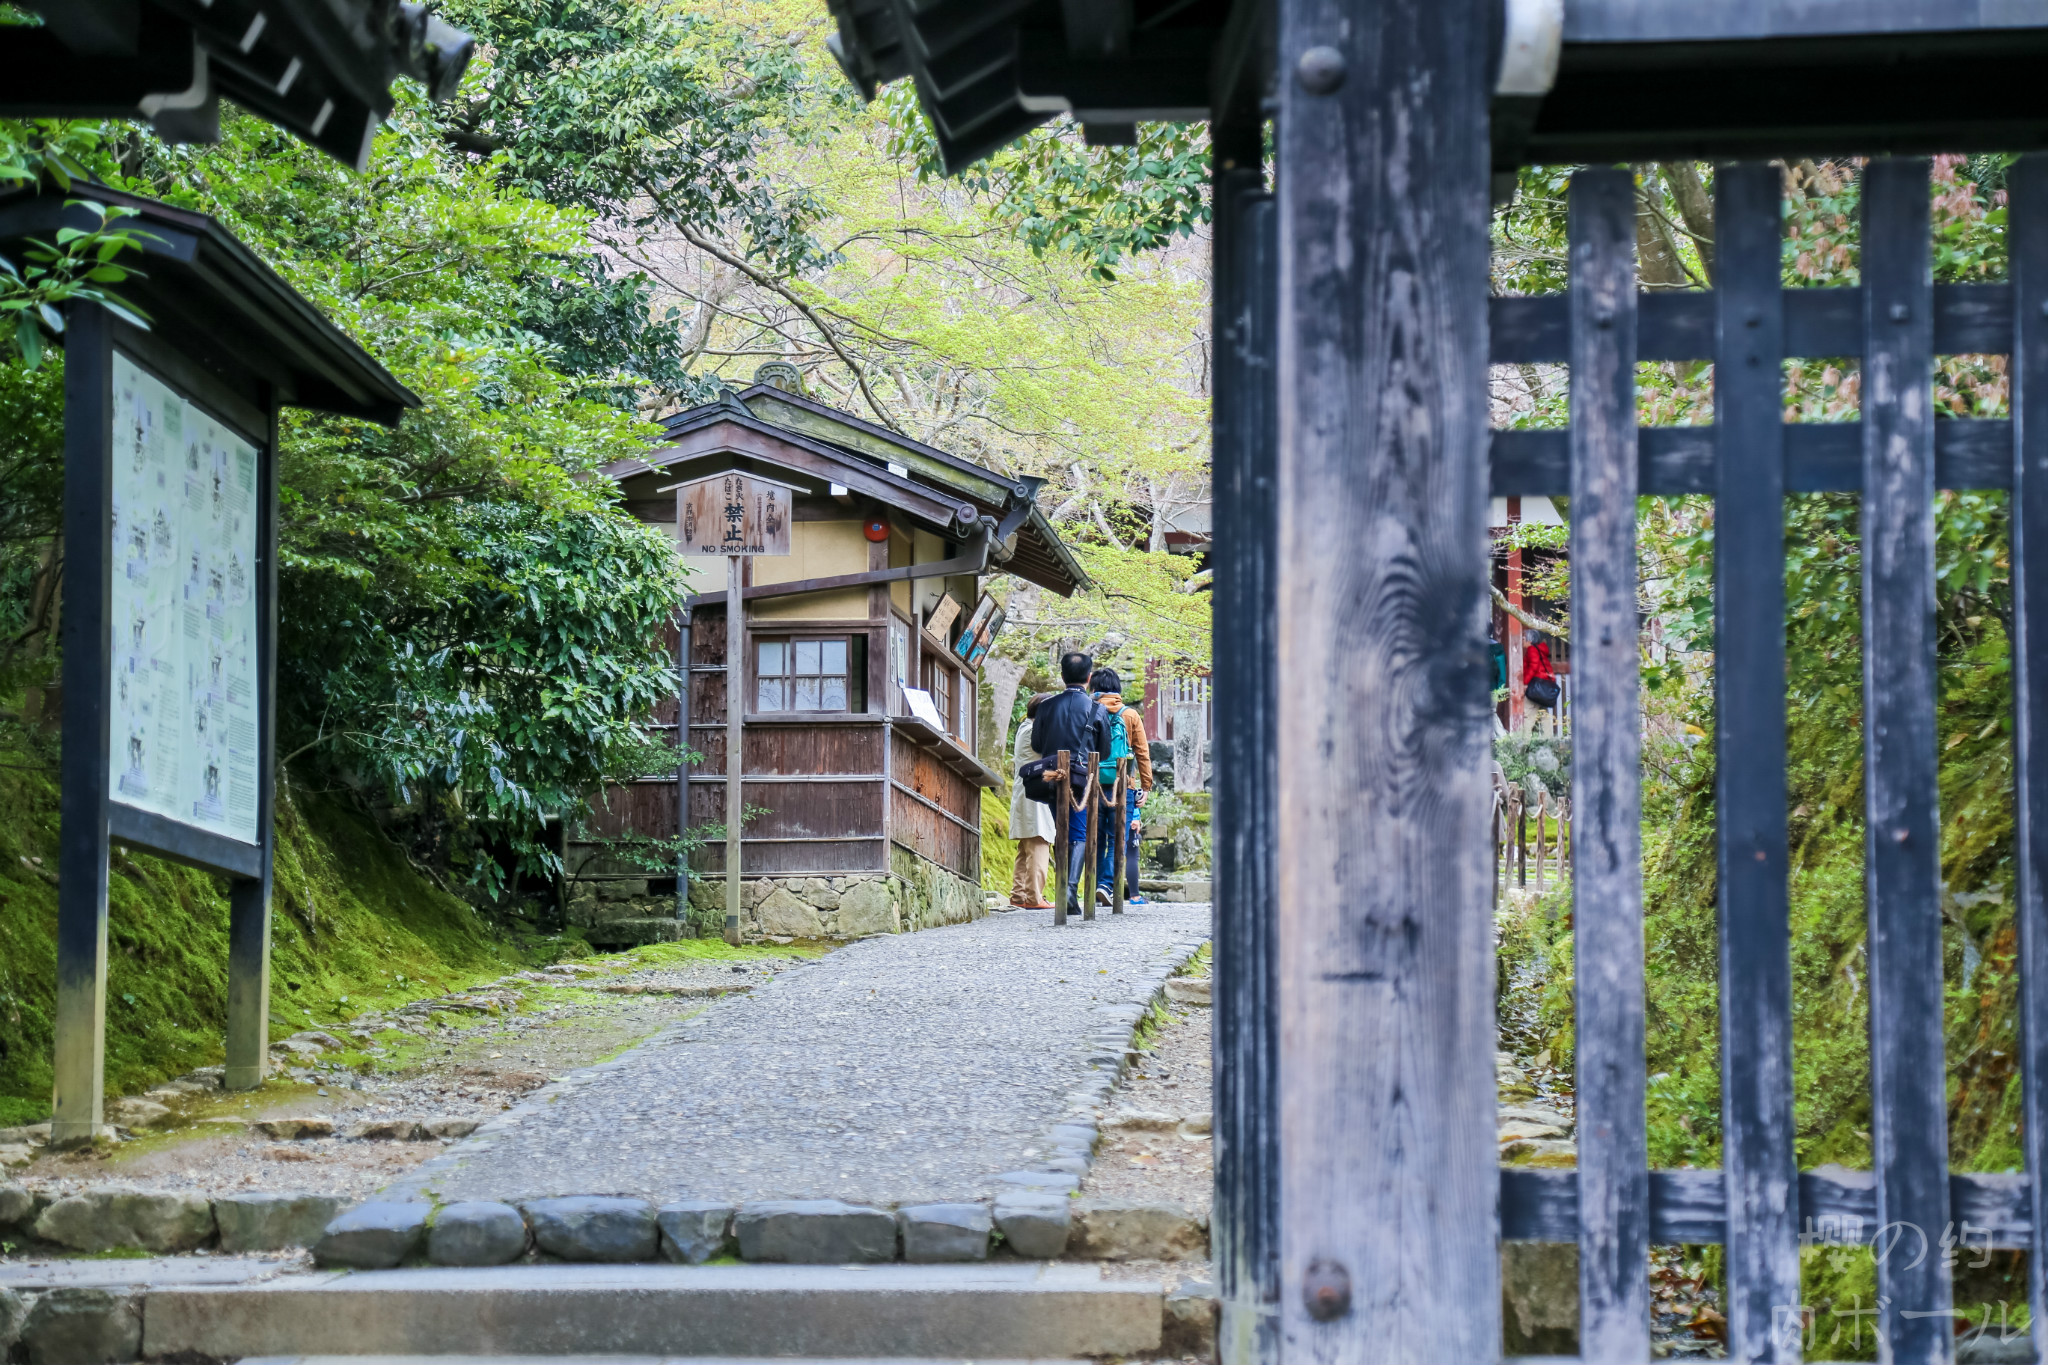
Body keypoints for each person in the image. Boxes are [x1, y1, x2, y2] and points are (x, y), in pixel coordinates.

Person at [1031, 650, 1116, 918]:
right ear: (1089, 678)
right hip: (1082, 780)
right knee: (1078, 834)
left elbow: (1036, 745)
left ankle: (1066, 889)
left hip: (1051, 777)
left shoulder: (1045, 707)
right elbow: (1104, 752)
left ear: (1062, 675)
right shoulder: (1097, 709)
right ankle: (1068, 890)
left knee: (1062, 831)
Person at [1089, 668, 1153, 905]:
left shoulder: (1089, 710)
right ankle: (1106, 885)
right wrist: (1145, 786)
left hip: (1092, 785)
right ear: (1117, 689)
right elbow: (1142, 753)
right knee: (1118, 837)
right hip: (1123, 785)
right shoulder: (1131, 715)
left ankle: (1096, 886)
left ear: (1093, 688)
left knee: (1095, 837)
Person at [1008, 693, 1057, 909]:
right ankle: (1034, 897)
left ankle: (1019, 895)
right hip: (1035, 793)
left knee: (1026, 848)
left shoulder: (1025, 728)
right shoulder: (1033, 732)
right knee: (1039, 843)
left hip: (1026, 792)